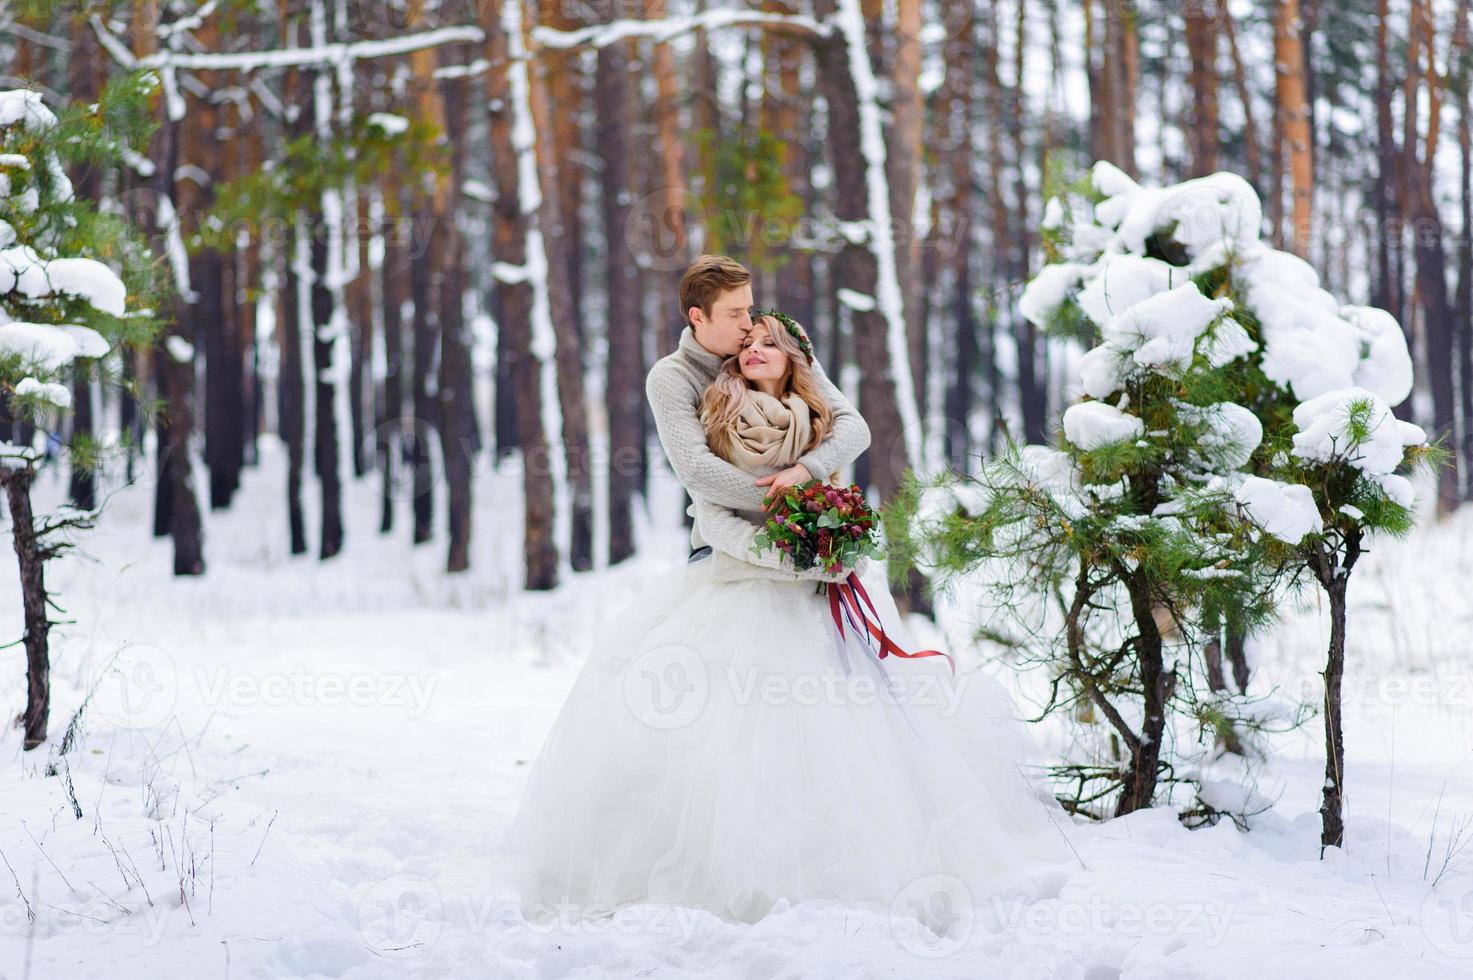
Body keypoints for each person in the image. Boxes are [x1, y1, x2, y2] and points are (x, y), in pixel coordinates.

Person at [497, 256, 1072, 928]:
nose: (748, 326)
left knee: (846, 718)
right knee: (721, 718)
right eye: (736, 315)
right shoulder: (672, 377)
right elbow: (698, 474)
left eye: (751, 310)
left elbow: (849, 424)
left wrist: (805, 475)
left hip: (815, 561)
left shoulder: (776, 339)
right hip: (731, 557)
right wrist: (783, 519)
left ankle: (857, 861)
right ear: (698, 318)